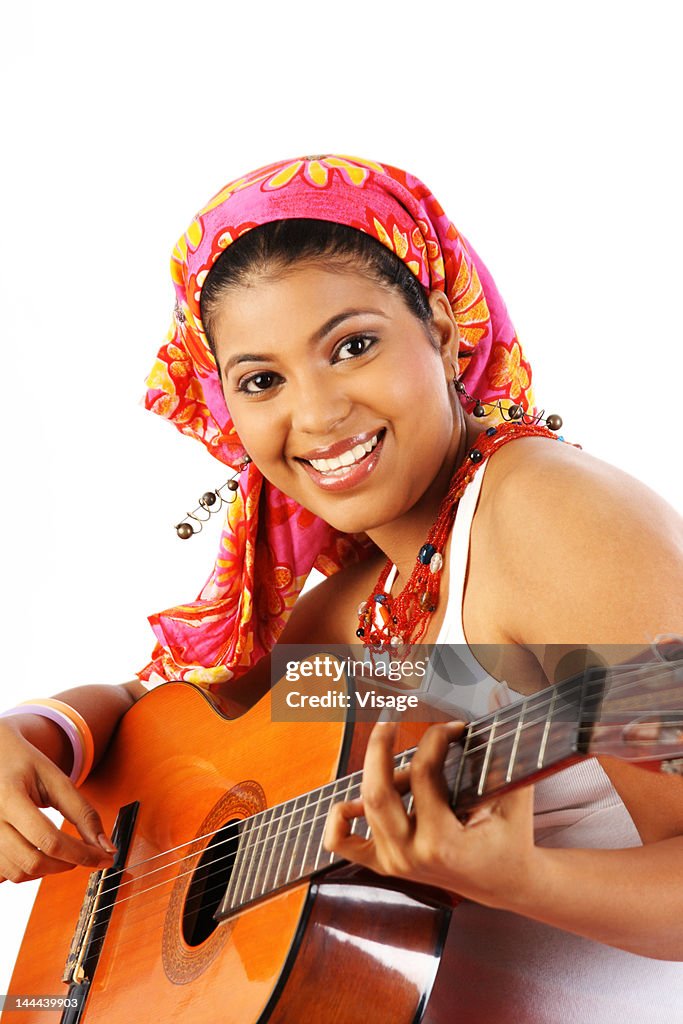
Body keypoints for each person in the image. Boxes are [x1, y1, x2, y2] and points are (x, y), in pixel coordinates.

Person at [1, 154, 682, 1022]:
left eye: (351, 346)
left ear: (440, 328)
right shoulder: (360, 605)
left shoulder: (549, 517)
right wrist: (34, 735)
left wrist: (527, 879)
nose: (317, 414)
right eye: (261, 381)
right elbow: (171, 716)